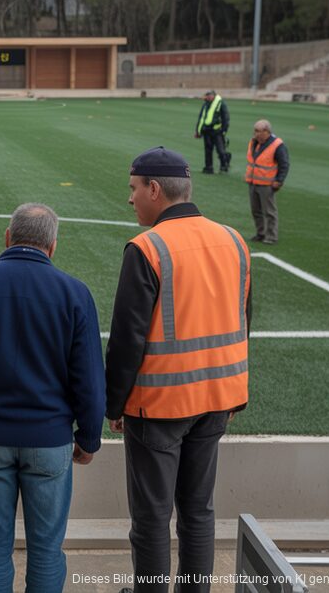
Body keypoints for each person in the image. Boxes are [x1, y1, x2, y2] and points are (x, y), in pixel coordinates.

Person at [105, 147, 251, 593]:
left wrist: (113, 404)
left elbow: (127, 338)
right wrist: (235, 395)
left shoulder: (147, 247)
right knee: (198, 510)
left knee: (151, 517)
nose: (130, 199)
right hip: (218, 399)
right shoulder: (233, 239)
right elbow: (244, 320)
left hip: (160, 406)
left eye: (133, 188)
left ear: (154, 189)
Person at [0, 203, 106, 593]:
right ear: (52, 245)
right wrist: (89, 437)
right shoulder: (74, 293)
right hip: (49, 440)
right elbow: (89, 378)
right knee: (47, 550)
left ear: (7, 238)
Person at [245, 119, 290, 245]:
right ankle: (260, 233)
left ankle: (271, 236)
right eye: (255, 131)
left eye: (260, 131)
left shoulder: (277, 145)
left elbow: (284, 164)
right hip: (253, 182)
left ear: (267, 132)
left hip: (267, 184)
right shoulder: (254, 142)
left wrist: (279, 180)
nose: (257, 134)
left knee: (269, 212)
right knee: (256, 211)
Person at [194, 90, 231, 174]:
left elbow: (226, 117)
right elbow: (201, 118)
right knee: (208, 151)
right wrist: (198, 131)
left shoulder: (221, 104)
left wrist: (224, 130)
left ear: (213, 95)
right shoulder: (205, 104)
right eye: (206, 95)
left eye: (209, 95)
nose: (207, 97)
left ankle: (224, 165)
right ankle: (208, 167)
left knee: (221, 150)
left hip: (217, 131)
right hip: (206, 131)